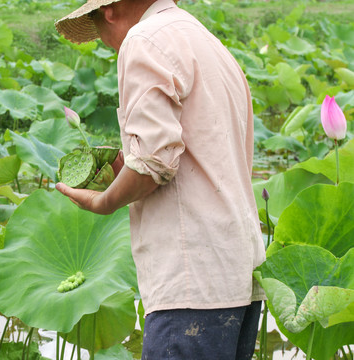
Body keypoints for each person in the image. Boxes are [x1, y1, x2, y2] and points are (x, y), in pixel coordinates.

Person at [55, 0, 266, 359]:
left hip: (190, 281)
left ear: (108, 11)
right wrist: (128, 163)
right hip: (238, 274)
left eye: (97, 27)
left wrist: (104, 201)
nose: (107, 42)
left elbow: (153, 164)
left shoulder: (143, 39)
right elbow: (198, 152)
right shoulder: (205, 40)